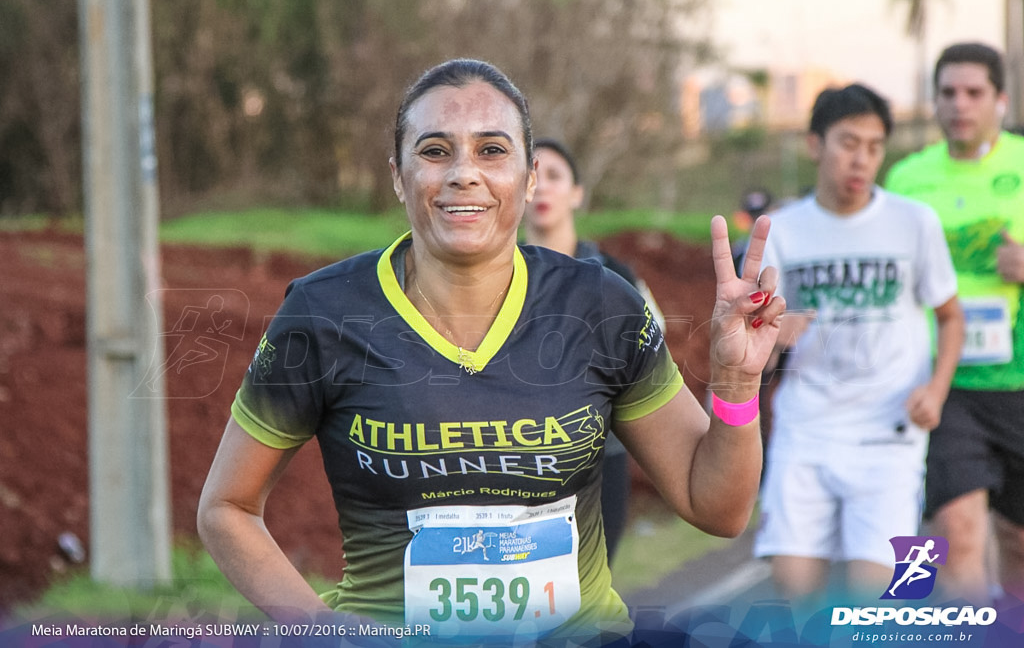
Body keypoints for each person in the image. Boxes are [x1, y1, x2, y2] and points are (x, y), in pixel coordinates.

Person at [197, 58, 785, 646]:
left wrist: (735, 382)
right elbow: (227, 507)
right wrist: (321, 630)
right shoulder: (324, 316)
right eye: (434, 151)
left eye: (491, 150)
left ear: (530, 178)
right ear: (399, 176)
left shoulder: (600, 306)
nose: (463, 174)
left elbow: (719, 509)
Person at [752, 83, 964, 604]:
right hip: (806, 430)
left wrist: (936, 391)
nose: (861, 158)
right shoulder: (779, 230)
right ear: (814, 144)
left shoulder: (914, 222)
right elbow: (754, 348)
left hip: (890, 435)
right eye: (849, 142)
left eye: (874, 146)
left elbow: (951, 317)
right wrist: (775, 337)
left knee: (877, 603)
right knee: (792, 598)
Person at [885, 42, 1024, 605]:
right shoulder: (906, 178)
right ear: (934, 102)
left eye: (974, 92)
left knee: (1017, 541)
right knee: (958, 536)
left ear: (1001, 99)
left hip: (1018, 381)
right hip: (946, 384)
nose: (960, 105)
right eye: (948, 93)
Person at [521, 136, 659, 564]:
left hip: (600, 462)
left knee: (590, 600)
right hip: (515, 462)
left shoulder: (614, 278)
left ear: (577, 193)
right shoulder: (489, 276)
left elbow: (652, 354)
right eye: (533, 177)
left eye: (556, 176)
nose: (543, 188)